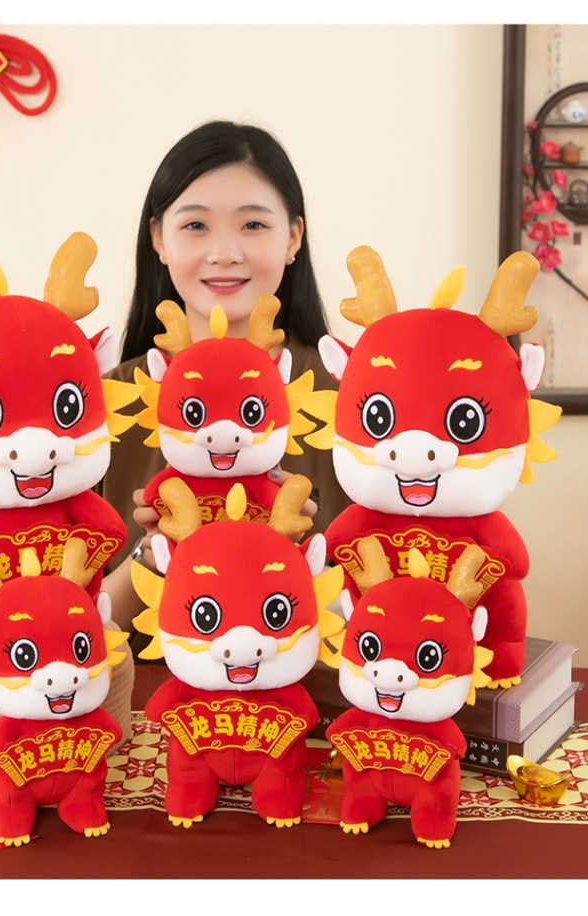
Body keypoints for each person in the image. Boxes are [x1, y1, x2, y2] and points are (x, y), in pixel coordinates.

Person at [98, 119, 350, 635]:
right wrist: (156, 550)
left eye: (253, 225)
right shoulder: (107, 402)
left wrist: (298, 550)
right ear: (158, 238)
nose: (224, 252)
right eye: (195, 225)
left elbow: (391, 629)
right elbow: (70, 631)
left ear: (293, 238)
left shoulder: (353, 402)